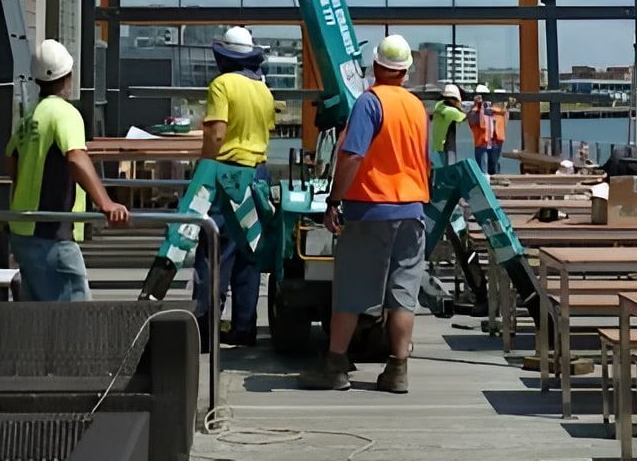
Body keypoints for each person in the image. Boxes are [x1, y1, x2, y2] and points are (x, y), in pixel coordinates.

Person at [300, 34, 429, 394]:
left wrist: (333, 200)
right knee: (404, 293)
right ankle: (397, 370)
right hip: (412, 210)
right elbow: (424, 161)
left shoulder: (370, 103)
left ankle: (335, 366)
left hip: (371, 208)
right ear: (405, 72)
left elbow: (353, 154)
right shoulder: (417, 108)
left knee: (351, 291)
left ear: (375, 67)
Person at [6, 39, 128, 301]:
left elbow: (12, 159)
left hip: (22, 230)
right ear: (69, 77)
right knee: (74, 322)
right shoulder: (65, 113)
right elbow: (75, 157)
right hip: (51, 231)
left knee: (38, 319)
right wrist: (106, 203)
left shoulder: (30, 116)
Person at [193, 25, 276, 348]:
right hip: (258, 175)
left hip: (226, 174)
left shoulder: (222, 85)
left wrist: (204, 171)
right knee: (249, 253)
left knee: (214, 251)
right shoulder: (264, 90)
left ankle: (205, 330)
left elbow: (216, 134)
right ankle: (244, 327)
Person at [429, 83, 466, 170]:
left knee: (437, 173)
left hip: (436, 147)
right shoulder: (450, 111)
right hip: (446, 148)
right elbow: (464, 117)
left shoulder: (439, 106)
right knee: (449, 171)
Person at [468, 84, 495, 174]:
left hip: (487, 144)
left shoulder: (488, 110)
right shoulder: (475, 112)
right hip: (482, 144)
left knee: (486, 170)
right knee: (483, 171)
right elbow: (474, 122)